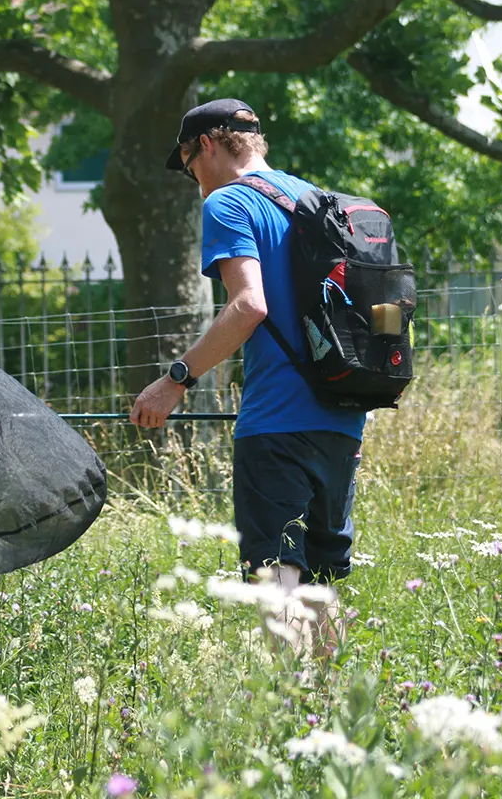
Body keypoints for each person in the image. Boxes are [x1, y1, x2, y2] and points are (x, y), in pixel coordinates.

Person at [129, 98, 366, 659]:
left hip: (276, 425)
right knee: (320, 586)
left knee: (278, 576)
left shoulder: (229, 203)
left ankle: (291, 717)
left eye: (188, 166)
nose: (194, 182)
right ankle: (333, 721)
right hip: (343, 418)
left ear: (205, 146)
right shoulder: (314, 199)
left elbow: (249, 306)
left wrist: (176, 378)